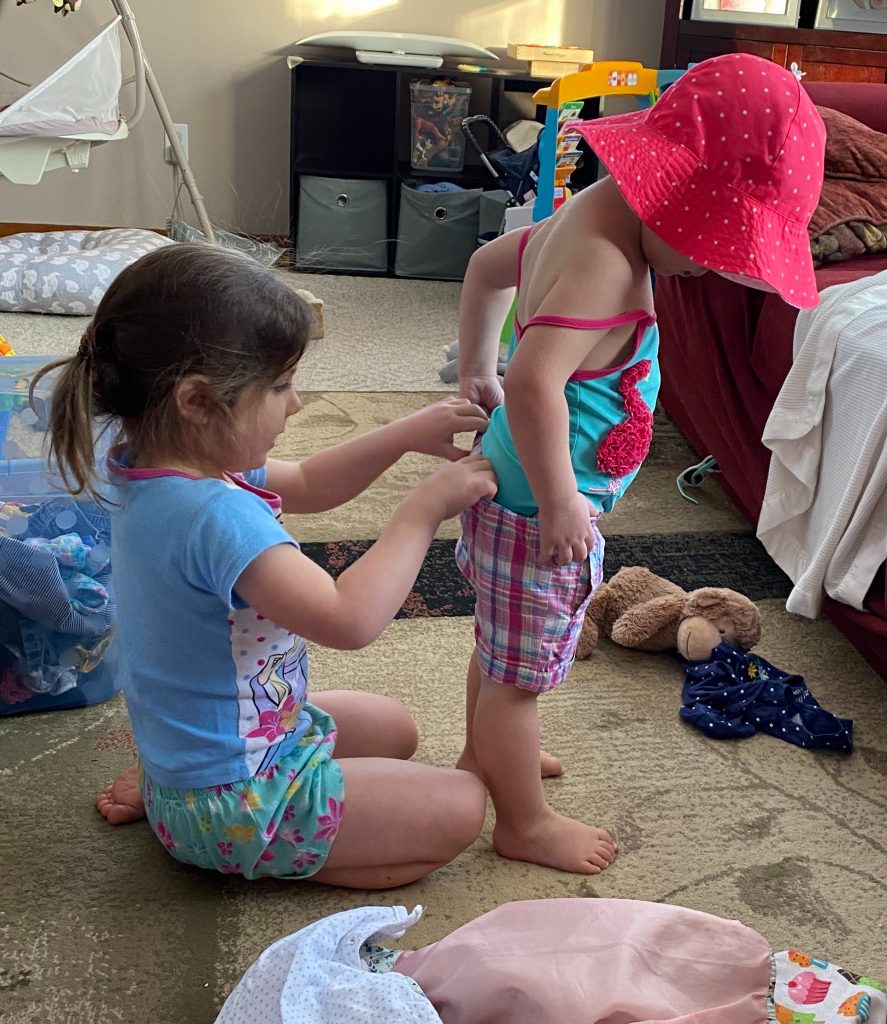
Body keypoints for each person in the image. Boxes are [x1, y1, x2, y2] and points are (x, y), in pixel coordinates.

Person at [454, 52, 826, 874]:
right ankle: (520, 821)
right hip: (533, 509)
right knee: (520, 677)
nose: (702, 265)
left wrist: (473, 362)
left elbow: (487, 267)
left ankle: (487, 759)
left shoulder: (589, 210)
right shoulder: (606, 264)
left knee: (501, 651)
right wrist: (556, 499)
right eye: (704, 243)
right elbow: (535, 382)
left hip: (518, 493)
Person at [35, 243, 497, 890]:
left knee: (394, 729)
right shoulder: (216, 516)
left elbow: (308, 481)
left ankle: (172, 795)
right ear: (197, 400)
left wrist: (399, 435)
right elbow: (348, 618)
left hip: (204, 755)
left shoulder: (154, 461)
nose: (297, 404)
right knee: (461, 807)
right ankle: (249, 846)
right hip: (237, 800)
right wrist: (422, 511)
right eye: (279, 386)